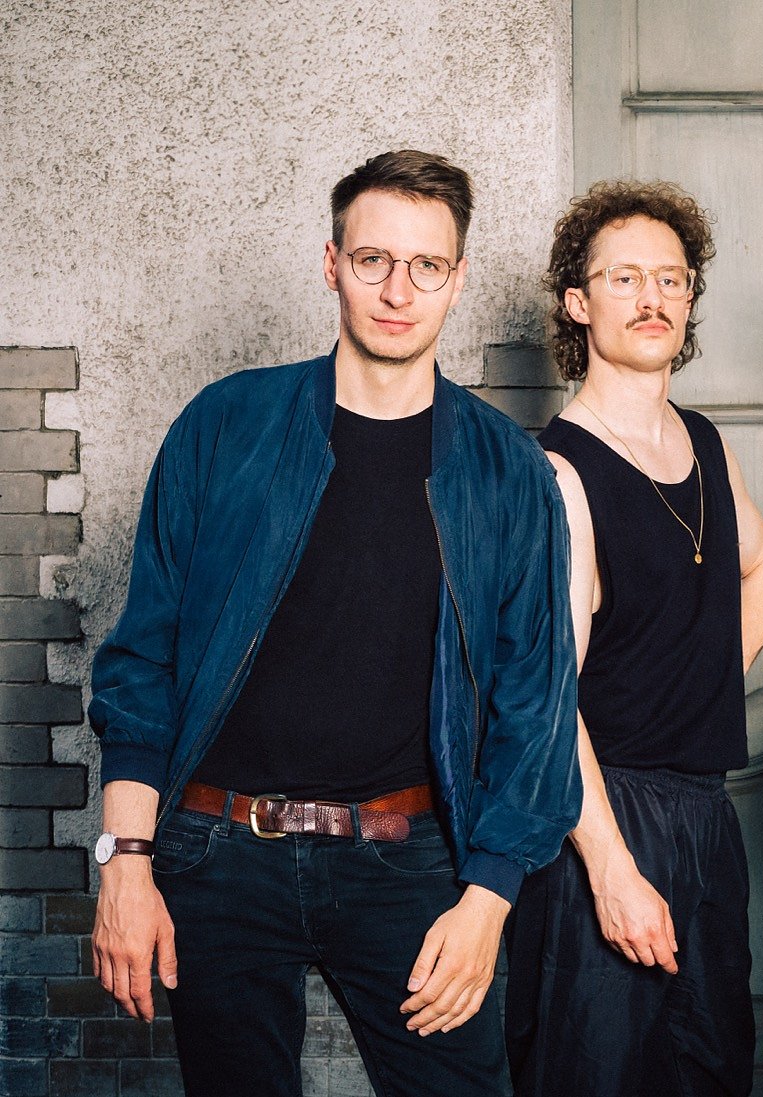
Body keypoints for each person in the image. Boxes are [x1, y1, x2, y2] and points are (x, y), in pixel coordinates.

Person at [88, 149, 581, 1097]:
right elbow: (142, 661)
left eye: (426, 265)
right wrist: (126, 861)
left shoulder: (507, 471)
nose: (398, 291)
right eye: (373, 260)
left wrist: (487, 898)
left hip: (409, 859)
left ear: (458, 278)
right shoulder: (225, 425)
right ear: (331, 264)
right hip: (218, 853)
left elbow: (536, 705)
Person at [504, 180, 763, 1096]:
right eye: (624, 278)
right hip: (604, 815)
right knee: (593, 1075)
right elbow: (548, 701)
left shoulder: (703, 441)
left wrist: (694, 686)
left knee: (710, 1070)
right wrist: (612, 870)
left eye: (671, 278)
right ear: (578, 303)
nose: (652, 297)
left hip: (704, 814)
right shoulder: (560, 471)